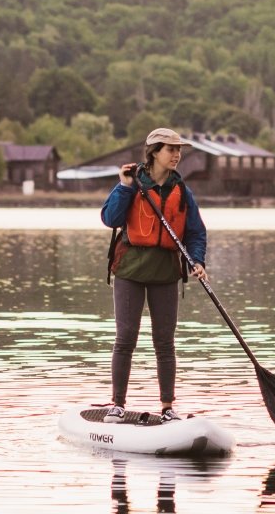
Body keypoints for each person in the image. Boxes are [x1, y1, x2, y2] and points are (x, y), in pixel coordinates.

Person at [100, 127, 208, 424]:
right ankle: (117, 405)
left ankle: (167, 407)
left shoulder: (182, 192)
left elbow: (196, 232)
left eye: (178, 150)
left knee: (165, 342)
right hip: (130, 270)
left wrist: (197, 261)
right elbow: (110, 218)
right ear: (154, 152)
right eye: (170, 149)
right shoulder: (132, 183)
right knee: (125, 339)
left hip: (165, 272)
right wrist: (122, 187)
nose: (177, 155)